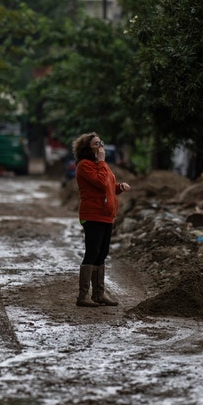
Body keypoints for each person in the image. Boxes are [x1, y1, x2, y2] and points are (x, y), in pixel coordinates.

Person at [72, 132, 131, 307]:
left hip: (106, 215)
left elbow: (107, 185)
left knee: (102, 253)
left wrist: (118, 187)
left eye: (101, 142)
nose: (101, 146)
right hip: (92, 215)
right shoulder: (85, 165)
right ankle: (83, 296)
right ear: (87, 148)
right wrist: (102, 161)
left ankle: (99, 294)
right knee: (92, 251)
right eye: (96, 143)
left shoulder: (99, 165)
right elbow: (99, 181)